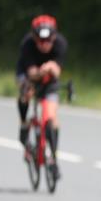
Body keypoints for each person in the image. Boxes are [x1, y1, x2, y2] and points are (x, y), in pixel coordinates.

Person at [16, 14, 68, 179]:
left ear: (54, 37)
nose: (45, 45)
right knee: (26, 93)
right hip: (28, 73)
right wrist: (41, 71)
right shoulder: (27, 45)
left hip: (49, 79)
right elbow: (31, 73)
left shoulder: (60, 43)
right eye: (40, 41)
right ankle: (24, 122)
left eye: (48, 41)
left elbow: (58, 70)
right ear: (34, 38)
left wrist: (52, 68)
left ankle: (53, 157)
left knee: (51, 116)